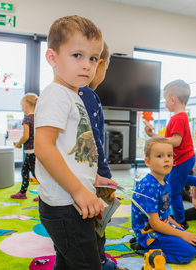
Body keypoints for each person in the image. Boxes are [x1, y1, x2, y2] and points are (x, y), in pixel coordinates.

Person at [34, 15, 124, 270]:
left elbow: (70, 151)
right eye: (77, 55)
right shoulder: (56, 95)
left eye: (93, 58)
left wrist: (92, 179)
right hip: (65, 206)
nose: (87, 65)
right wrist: (78, 190)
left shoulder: (73, 96)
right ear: (52, 58)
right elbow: (44, 147)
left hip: (72, 202)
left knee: (69, 262)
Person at [145, 79, 196, 230]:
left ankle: (181, 222)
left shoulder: (177, 118)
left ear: (173, 99)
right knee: (173, 180)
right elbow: (171, 139)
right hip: (185, 159)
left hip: (183, 160)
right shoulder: (180, 117)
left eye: (165, 100)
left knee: (174, 191)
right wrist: (154, 136)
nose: (165, 103)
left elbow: (176, 141)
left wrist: (155, 137)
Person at [78, 42, 123, 269]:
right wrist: (105, 176)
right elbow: (92, 140)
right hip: (90, 179)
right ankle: (101, 261)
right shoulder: (88, 95)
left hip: (75, 178)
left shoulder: (72, 93)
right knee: (95, 226)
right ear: (102, 65)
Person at [131, 137, 196, 264]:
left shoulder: (166, 183)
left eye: (169, 155)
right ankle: (143, 248)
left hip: (162, 225)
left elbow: (164, 215)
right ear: (148, 162)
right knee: (189, 253)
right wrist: (181, 235)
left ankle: (158, 245)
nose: (166, 159)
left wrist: (181, 230)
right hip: (148, 232)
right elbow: (154, 223)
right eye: (160, 156)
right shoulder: (148, 186)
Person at [10, 93, 38, 201]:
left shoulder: (27, 119)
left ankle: (44, 195)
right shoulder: (38, 117)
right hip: (37, 149)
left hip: (31, 150)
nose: (22, 109)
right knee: (25, 170)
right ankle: (22, 192)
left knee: (36, 174)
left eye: (22, 106)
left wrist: (18, 144)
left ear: (26, 105)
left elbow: (26, 136)